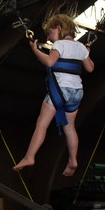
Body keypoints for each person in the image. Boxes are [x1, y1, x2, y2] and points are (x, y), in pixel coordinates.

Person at [13, 13, 94, 177]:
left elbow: (50, 62)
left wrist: (35, 51)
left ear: (59, 28)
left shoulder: (59, 44)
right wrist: (87, 53)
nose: (49, 38)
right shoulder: (81, 47)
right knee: (70, 128)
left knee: (42, 124)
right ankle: (73, 160)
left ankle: (30, 156)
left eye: (50, 32)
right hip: (77, 92)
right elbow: (90, 68)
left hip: (60, 90)